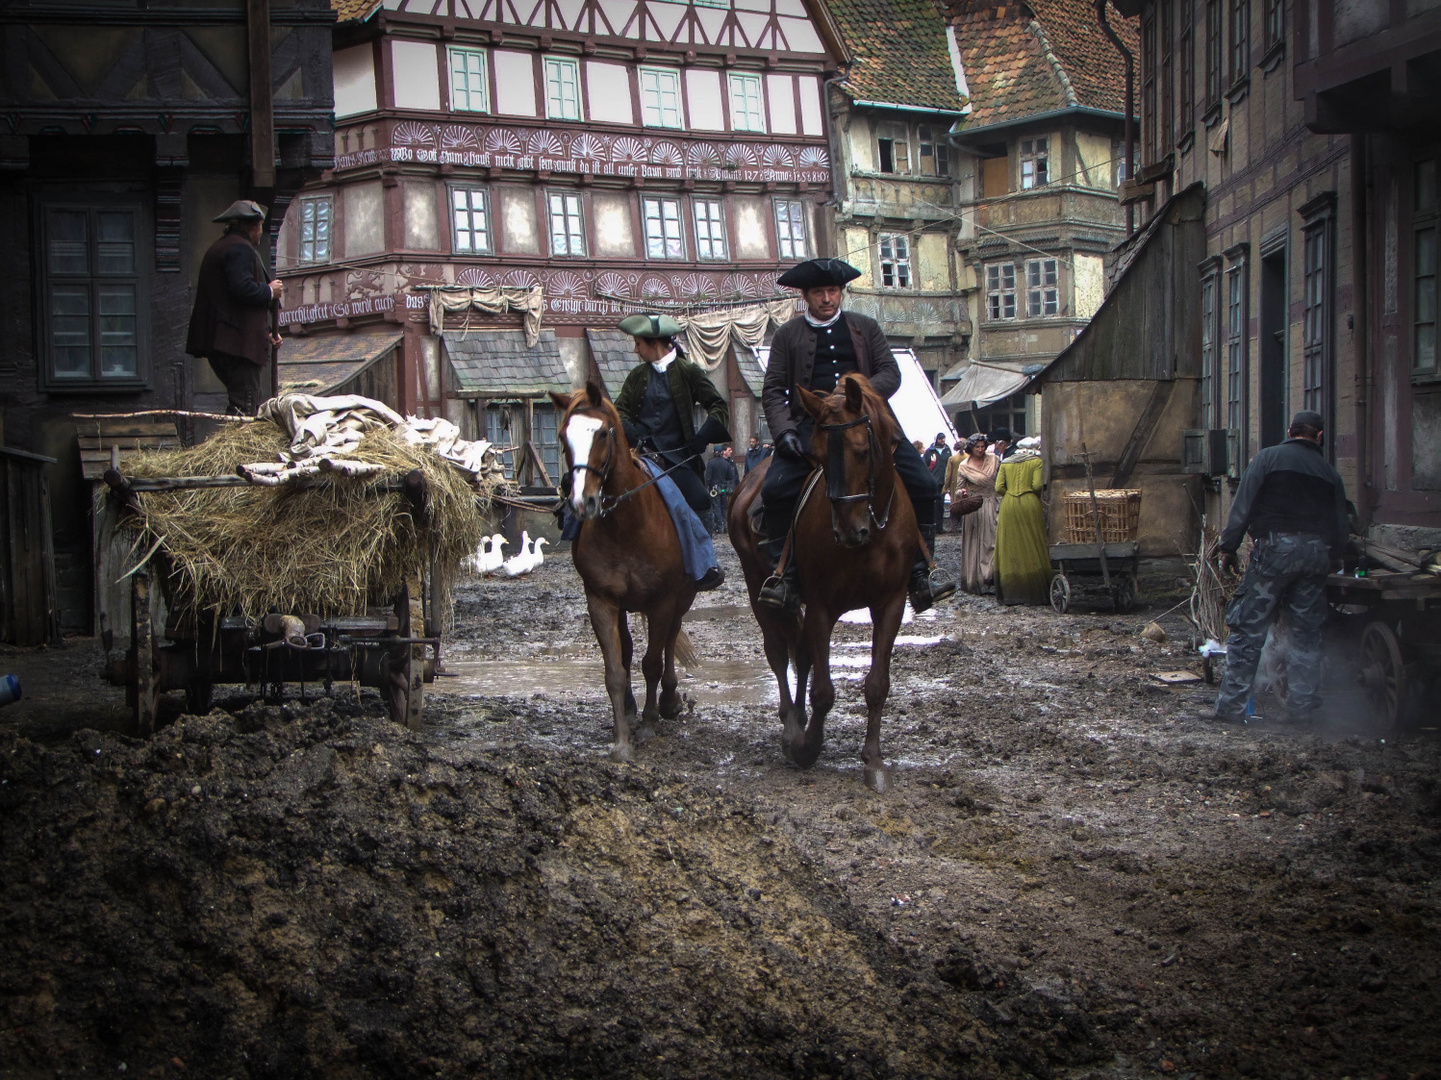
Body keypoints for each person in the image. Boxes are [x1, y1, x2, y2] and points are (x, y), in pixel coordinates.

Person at [755, 257, 957, 615]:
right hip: (813, 425)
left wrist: (858, 395)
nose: (827, 298)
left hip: (868, 423)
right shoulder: (787, 335)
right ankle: (786, 575)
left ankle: (922, 572)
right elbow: (772, 389)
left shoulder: (865, 327)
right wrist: (784, 430)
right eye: (819, 292)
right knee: (775, 490)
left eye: (832, 291)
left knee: (924, 484)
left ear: (841, 292)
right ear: (806, 296)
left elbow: (890, 373)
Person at [1212, 410, 1349, 723]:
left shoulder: (1267, 459)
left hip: (1274, 552)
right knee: (1306, 637)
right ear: (1320, 437)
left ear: (1290, 430)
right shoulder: (1330, 474)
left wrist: (1228, 548)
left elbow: (1242, 506)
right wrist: (1333, 556)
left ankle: (1231, 709)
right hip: (1316, 555)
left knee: (1248, 629)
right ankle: (1301, 710)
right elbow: (1341, 528)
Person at [612, 312, 731, 590]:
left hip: (678, 459)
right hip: (640, 455)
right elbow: (619, 410)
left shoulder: (687, 372)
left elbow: (718, 405)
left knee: (700, 499)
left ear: (654, 343)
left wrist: (703, 437)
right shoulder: (637, 375)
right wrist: (632, 433)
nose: (635, 349)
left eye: (638, 343)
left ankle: (703, 565)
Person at [186, 200, 284, 415]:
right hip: (237, 346)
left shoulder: (224, 246)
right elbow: (241, 288)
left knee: (242, 401)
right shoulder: (240, 249)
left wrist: (266, 333)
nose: (260, 233)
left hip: (227, 341)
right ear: (253, 226)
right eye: (260, 227)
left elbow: (234, 305)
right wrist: (269, 291)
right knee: (246, 406)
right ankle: (243, 448)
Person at [993, 436, 1049, 605]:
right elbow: (1037, 485)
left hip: (1008, 504)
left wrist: (1010, 495)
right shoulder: (1036, 462)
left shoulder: (1006, 463)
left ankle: (1011, 590)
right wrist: (1032, 496)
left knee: (1009, 544)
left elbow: (998, 488)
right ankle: (1033, 590)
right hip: (1029, 502)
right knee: (1033, 542)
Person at [950, 433, 1000, 593]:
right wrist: (962, 493)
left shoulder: (993, 459)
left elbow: (1000, 480)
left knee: (992, 540)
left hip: (992, 503)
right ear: (971, 448)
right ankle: (976, 578)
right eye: (977, 447)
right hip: (975, 505)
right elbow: (958, 488)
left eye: (982, 446)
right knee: (975, 541)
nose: (980, 449)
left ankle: (991, 575)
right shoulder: (964, 465)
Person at [704, 444, 739, 534]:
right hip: (723, 488)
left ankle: (719, 526)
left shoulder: (711, 463)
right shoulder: (726, 463)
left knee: (716, 507)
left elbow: (708, 478)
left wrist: (705, 487)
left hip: (714, 489)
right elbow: (731, 476)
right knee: (724, 506)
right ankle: (726, 526)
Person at [923, 433, 952, 532]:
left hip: (944, 481)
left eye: (943, 439)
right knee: (932, 505)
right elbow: (924, 465)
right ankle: (932, 526)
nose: (942, 441)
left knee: (941, 505)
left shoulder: (947, 451)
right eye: (940, 439)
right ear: (937, 440)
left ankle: (939, 527)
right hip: (933, 481)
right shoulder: (930, 451)